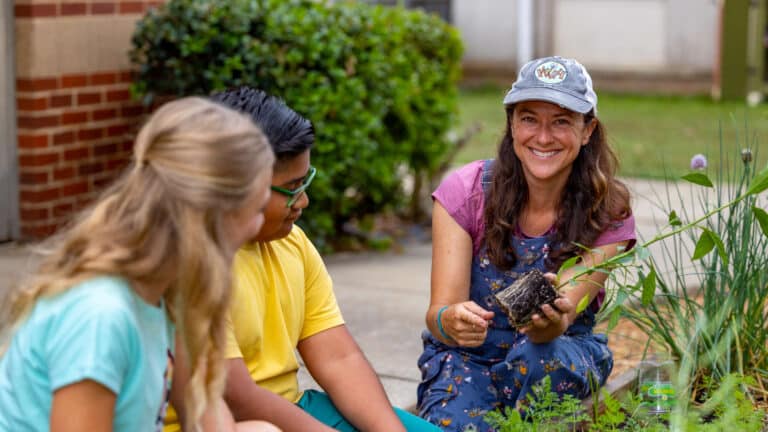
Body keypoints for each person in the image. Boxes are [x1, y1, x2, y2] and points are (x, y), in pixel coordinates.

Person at [164, 87, 440, 432]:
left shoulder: (292, 243)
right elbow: (236, 396)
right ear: (238, 185)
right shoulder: (190, 263)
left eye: (304, 182)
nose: (304, 200)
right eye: (291, 188)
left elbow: (339, 358)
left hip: (293, 409)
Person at [0, 97, 279, 432]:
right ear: (214, 217)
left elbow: (204, 411)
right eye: (258, 208)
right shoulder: (100, 316)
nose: (258, 225)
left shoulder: (167, 289)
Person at [417, 56, 636, 431]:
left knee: (538, 356)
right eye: (529, 118)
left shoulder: (608, 209)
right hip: (470, 359)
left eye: (562, 121)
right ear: (512, 125)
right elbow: (439, 314)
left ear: (588, 130)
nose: (543, 137)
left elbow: (562, 319)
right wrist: (448, 320)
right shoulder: (466, 193)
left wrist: (547, 324)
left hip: (555, 353)